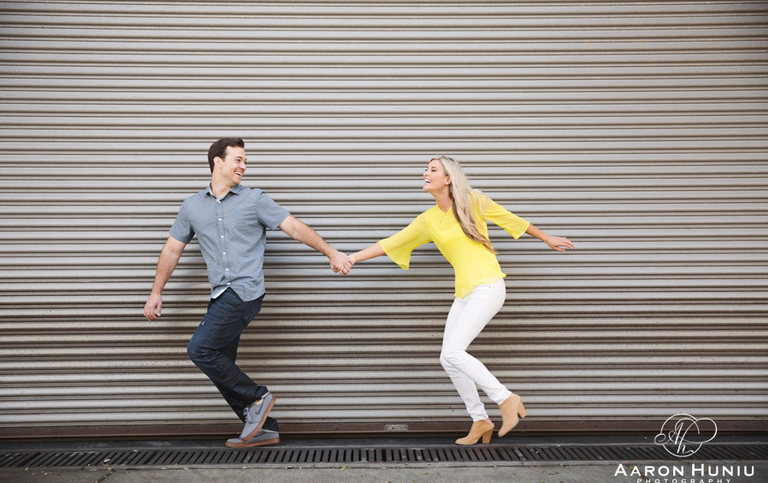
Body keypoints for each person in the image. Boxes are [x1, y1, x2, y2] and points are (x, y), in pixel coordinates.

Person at [143, 138, 353, 448]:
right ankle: (265, 428)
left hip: (244, 292)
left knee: (199, 350)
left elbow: (293, 227)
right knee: (221, 364)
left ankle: (258, 397)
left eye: (245, 162)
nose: (244, 166)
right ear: (218, 162)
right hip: (220, 294)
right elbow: (173, 249)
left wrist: (330, 251)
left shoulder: (255, 199)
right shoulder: (192, 206)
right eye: (238, 160)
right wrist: (155, 291)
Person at [349, 156, 574, 445]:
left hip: (489, 286)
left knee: (455, 352)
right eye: (425, 169)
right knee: (448, 358)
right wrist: (351, 257)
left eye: (432, 170)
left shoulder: (474, 201)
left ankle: (506, 398)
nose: (424, 173)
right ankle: (480, 420)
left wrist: (545, 237)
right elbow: (392, 242)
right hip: (465, 293)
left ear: (448, 178)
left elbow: (511, 220)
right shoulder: (429, 220)